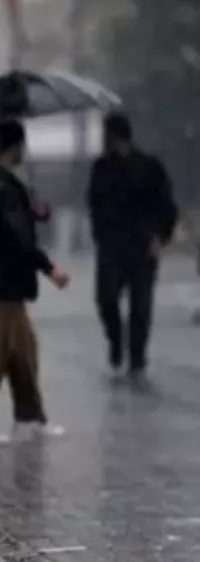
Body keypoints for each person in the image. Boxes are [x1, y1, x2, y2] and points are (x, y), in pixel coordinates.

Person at [0, 120, 68, 447]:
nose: (25, 151)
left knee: (23, 351)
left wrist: (34, 207)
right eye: (22, 144)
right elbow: (16, 237)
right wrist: (50, 269)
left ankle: (29, 417)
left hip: (6, 284)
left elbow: (25, 219)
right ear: (12, 147)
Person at [87, 112, 178, 379]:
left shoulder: (150, 167)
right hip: (112, 246)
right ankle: (116, 339)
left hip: (141, 245)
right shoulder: (101, 169)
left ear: (115, 137)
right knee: (106, 300)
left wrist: (159, 237)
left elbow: (166, 207)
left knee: (141, 305)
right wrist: (100, 236)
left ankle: (137, 357)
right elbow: (93, 205)